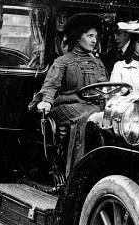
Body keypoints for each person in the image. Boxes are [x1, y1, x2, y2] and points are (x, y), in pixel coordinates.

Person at [36, 13, 108, 172]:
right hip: (66, 108)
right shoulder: (62, 61)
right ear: (77, 37)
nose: (94, 40)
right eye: (90, 36)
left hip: (93, 107)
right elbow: (50, 86)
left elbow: (105, 87)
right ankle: (76, 174)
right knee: (86, 117)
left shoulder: (98, 63)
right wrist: (46, 101)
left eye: (95, 36)